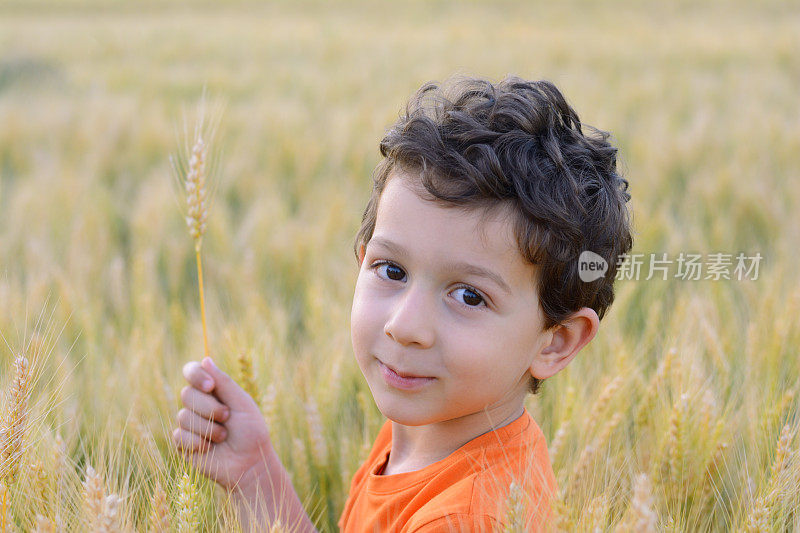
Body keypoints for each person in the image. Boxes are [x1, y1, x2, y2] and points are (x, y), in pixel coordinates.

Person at [172, 74, 633, 532]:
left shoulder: (467, 520)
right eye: (392, 270)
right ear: (362, 261)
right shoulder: (425, 429)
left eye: (470, 296)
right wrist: (255, 474)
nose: (405, 325)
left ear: (556, 342)